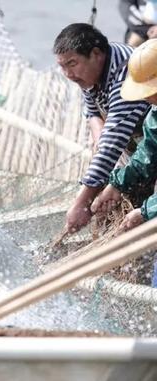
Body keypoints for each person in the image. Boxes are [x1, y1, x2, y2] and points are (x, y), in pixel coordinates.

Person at [54, 23, 152, 234]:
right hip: (141, 153)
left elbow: (114, 143)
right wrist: (101, 134)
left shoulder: (129, 72)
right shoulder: (92, 73)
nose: (68, 74)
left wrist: (82, 202)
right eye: (62, 67)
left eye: (72, 64)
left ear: (96, 54)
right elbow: (92, 112)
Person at [91, 39, 157, 285]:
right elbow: (146, 155)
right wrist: (116, 185)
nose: (148, 98)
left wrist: (147, 210)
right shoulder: (155, 114)